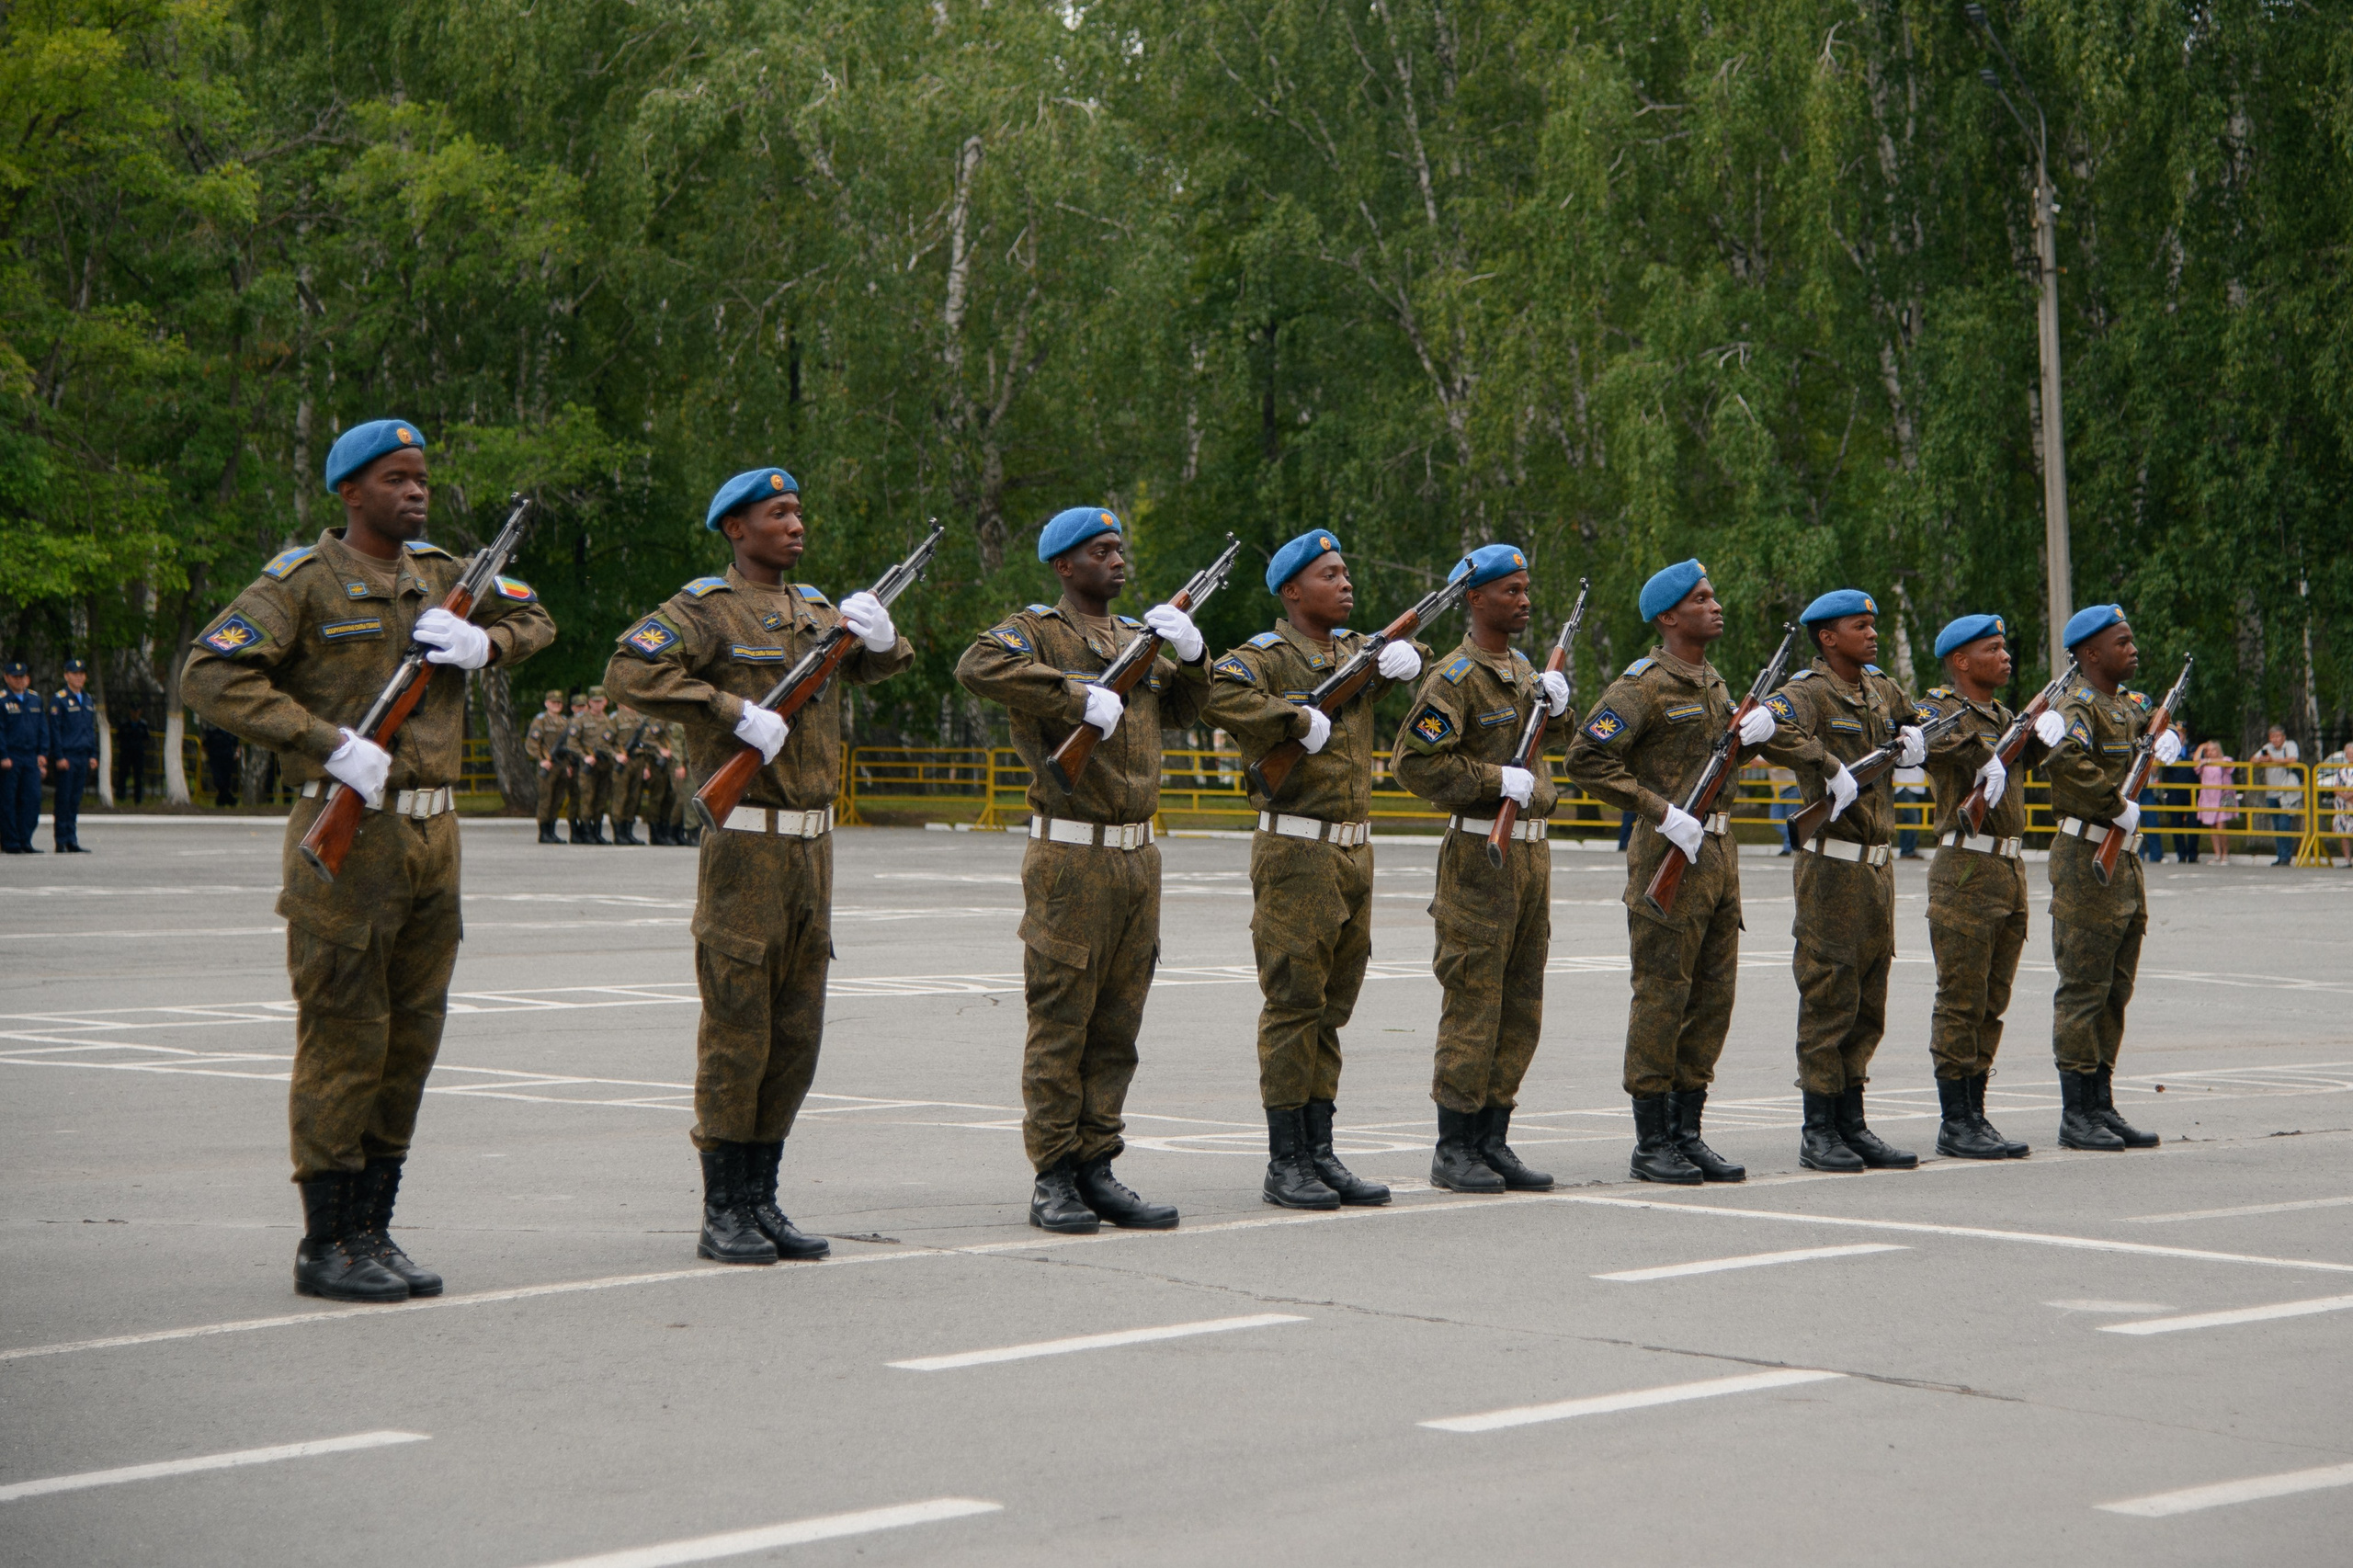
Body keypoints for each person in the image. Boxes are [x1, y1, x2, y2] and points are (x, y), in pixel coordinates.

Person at [183, 416, 556, 1301]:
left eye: (420, 476)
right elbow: (210, 674)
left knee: (411, 1040)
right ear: (350, 491)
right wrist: (326, 741)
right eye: (395, 478)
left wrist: (489, 644)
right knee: (344, 1037)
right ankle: (327, 1240)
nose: (415, 490)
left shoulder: (448, 574)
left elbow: (536, 617)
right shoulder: (301, 583)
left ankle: (373, 1227)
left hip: (434, 837)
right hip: (348, 831)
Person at [605, 466, 913, 1265]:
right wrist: (729, 710)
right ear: (736, 528)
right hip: (745, 842)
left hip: (813, 847)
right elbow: (629, 671)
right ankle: (724, 1206)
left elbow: (879, 666)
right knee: (737, 1032)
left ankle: (762, 1197)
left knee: (795, 1035)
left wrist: (881, 637)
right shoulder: (705, 609)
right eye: (778, 513)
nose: (795, 524)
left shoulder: (816, 611)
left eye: (798, 511)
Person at [954, 506, 1209, 1233]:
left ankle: (1098, 1166)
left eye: (1119, 548)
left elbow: (1188, 709)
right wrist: (1075, 696)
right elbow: (977, 666)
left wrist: (1194, 655)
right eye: (1101, 551)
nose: (1117, 560)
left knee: (1118, 1026)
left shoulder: (1135, 639)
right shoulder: (1036, 632)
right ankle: (1054, 1175)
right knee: (1061, 1024)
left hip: (1137, 858)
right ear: (1065, 566)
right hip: (1070, 855)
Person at [1565, 560, 1823, 1184]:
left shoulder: (1714, 683)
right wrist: (1659, 810)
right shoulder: (1643, 686)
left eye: (1713, 595)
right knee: (1662, 996)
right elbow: (1585, 758)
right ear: (1668, 617)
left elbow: (1723, 756)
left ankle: (1688, 1131)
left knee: (1711, 999)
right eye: (1700, 599)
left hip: (1717, 857)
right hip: (1668, 852)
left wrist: (1759, 732)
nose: (1715, 605)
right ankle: (1652, 1141)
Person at [1201, 528, 1428, 1209]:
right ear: (1293, 591)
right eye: (1330, 574)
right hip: (1297, 851)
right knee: (1294, 1004)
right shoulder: (1266, 657)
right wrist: (1294, 720)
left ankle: (1320, 1151)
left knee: (1331, 1007)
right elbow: (1215, 693)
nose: (1346, 582)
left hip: (1354, 852)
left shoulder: (1357, 651)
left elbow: (1414, 661)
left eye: (1346, 572)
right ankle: (1286, 1161)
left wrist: (1409, 659)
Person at [1391, 544, 1575, 1193]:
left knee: (1521, 1004)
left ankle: (1494, 1138)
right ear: (1474, 599)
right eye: (1510, 590)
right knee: (1475, 999)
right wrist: (1495, 779)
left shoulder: (1524, 670)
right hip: (1479, 855)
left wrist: (1560, 708)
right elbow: (1414, 764)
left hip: (1530, 854)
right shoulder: (1455, 677)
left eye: (1525, 589)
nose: (1524, 601)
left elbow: (1558, 743)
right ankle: (1455, 1146)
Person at [1765, 588, 1923, 1173]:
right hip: (1831, 865)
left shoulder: (1879, 687)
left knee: (1868, 1000)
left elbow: (1916, 717)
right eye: (1861, 626)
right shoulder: (1808, 691)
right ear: (1828, 637)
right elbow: (1767, 729)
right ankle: (1819, 1129)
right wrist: (1828, 765)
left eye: (1874, 625)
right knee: (1829, 996)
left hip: (1877, 869)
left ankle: (1853, 1122)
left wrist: (1916, 738)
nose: (1873, 634)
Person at [2034, 603, 2179, 1151]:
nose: (2133, 649)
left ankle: (2101, 1102)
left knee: (2116, 988)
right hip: (2086, 857)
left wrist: (2172, 734)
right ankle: (2076, 1114)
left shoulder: (2127, 704)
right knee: (2084, 989)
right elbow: (2063, 760)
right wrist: (2116, 804)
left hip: (2125, 864)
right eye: (2122, 642)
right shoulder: (2077, 706)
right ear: (2091, 653)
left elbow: (2154, 722)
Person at [1914, 614, 2044, 1160]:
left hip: (2007, 871)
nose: (2005, 656)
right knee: (1961, 999)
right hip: (1965, 867)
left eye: (2005, 647)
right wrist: (1989, 750)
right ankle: (1955, 1121)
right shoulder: (1939, 709)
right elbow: (1931, 739)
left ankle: (1976, 1111)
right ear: (1961, 661)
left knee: (1992, 1001)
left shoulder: (2006, 717)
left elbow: (2030, 766)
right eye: (1993, 648)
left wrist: (2042, 734)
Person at [43, 658, 99, 852]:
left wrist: (93, 754)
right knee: (63, 800)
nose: (79, 677)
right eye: (75, 674)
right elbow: (55, 730)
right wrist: (59, 756)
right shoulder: (59, 699)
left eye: (81, 674)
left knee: (75, 800)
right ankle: (60, 840)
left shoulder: (88, 699)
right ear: (66, 676)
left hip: (82, 755)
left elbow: (90, 729)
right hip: (67, 756)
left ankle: (71, 839)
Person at [0, 659, 49, 853]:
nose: (19, 680)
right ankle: (11, 842)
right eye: (15, 677)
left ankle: (25, 839)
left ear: (27, 678)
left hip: (30, 757)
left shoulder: (35, 699)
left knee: (32, 799)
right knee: (9, 801)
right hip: (11, 756)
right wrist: (3, 755)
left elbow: (43, 728)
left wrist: (43, 753)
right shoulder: (2, 700)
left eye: (22, 677)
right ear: (6, 678)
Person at [567, 686, 620, 844]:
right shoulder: (581, 720)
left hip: (604, 766)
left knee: (601, 800)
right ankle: (586, 831)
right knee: (587, 799)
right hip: (588, 768)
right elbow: (572, 743)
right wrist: (585, 756)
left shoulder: (609, 721)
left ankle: (597, 832)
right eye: (595, 702)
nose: (598, 704)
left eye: (600, 701)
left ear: (605, 702)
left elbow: (614, 742)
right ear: (589, 702)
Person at [524, 687, 574, 843]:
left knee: (558, 799)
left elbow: (569, 745)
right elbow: (532, 743)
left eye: (559, 703)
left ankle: (552, 830)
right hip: (547, 765)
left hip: (561, 765)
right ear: (547, 703)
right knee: (546, 799)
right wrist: (541, 760)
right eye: (553, 702)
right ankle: (544, 831)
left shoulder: (564, 722)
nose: (556, 705)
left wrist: (569, 764)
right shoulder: (541, 721)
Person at [2251, 722, 2301, 866]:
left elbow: (2293, 759)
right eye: (2272, 736)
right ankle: (2280, 856)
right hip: (2271, 792)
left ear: (2283, 737)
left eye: (2278, 736)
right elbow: (2252, 760)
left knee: (2284, 825)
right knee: (2277, 826)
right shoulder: (2267, 748)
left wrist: (2273, 760)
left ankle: (2286, 856)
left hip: (2286, 792)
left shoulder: (2290, 745)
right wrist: (2261, 760)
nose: (2275, 739)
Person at [2193, 738, 2236, 862]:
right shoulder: (2203, 763)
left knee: (2221, 826)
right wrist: (2201, 747)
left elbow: (2229, 765)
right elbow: (2195, 762)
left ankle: (2225, 854)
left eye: (2213, 750)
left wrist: (2208, 761)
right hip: (2208, 797)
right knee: (2212, 826)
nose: (2210, 752)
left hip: (2223, 797)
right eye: (2208, 750)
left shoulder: (2225, 759)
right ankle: (2217, 854)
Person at [2323, 735, 2353, 866]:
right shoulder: (2341, 770)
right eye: (2348, 754)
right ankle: (2347, 859)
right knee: (2343, 832)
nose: (2350, 756)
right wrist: (2344, 795)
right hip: (2342, 805)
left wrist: (2350, 795)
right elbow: (2335, 787)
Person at [202, 720, 242, 806]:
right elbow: (204, 746)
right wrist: (207, 756)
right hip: (215, 759)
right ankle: (231, 800)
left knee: (226, 781)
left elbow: (237, 745)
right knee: (218, 781)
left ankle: (222, 801)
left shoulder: (231, 734)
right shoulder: (213, 733)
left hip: (228, 759)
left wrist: (237, 754)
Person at [116, 710, 150, 805]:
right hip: (126, 753)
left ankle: (138, 798)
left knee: (138, 776)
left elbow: (146, 739)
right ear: (130, 712)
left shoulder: (143, 725)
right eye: (133, 711)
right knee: (123, 775)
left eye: (137, 711)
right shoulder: (124, 724)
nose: (135, 713)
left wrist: (141, 748)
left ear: (140, 712)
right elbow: (118, 738)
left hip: (138, 754)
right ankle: (121, 796)